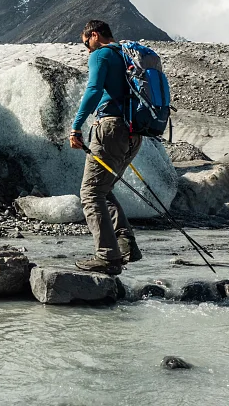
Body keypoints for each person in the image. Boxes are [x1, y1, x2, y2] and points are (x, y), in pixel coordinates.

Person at [69, 19, 143, 275]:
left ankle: (107, 256)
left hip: (111, 128)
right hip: (134, 132)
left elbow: (93, 89)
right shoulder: (127, 54)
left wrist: (76, 126)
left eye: (86, 42)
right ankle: (126, 247)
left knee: (90, 193)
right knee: (103, 189)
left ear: (95, 35)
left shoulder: (101, 54)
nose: (87, 49)